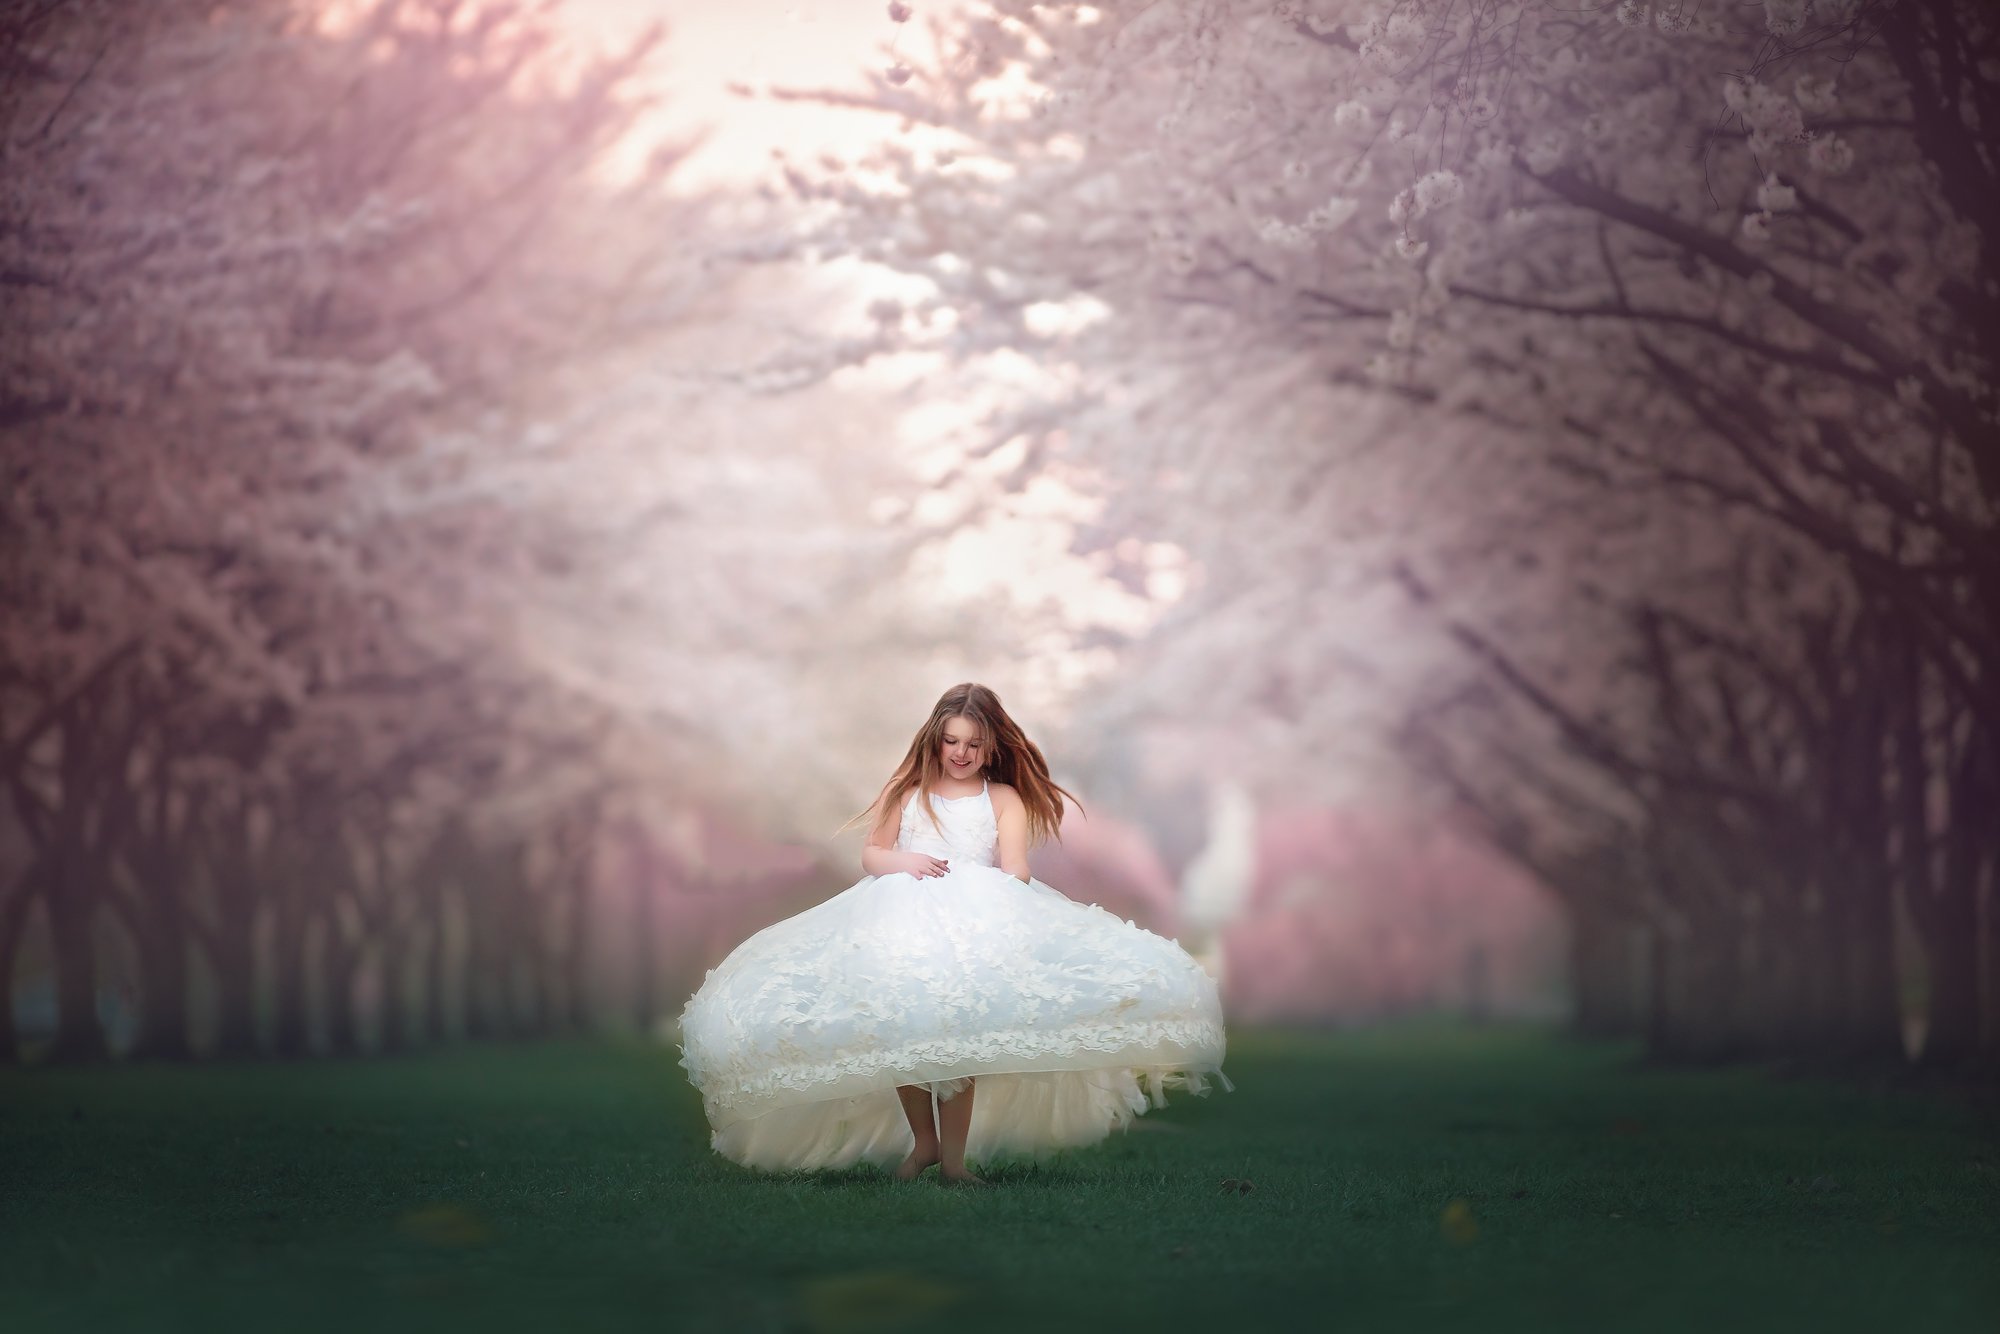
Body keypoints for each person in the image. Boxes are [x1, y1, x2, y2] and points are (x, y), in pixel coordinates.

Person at [674, 682, 1233, 1185]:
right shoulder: (908, 791)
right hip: (903, 916)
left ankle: (955, 1160)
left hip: (971, 921)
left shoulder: (1002, 799)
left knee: (958, 1034)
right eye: (951, 742)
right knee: (903, 1028)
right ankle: (924, 1143)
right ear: (935, 742)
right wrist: (908, 860)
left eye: (972, 744)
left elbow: (1013, 867)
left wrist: (990, 893)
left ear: (991, 747)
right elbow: (872, 853)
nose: (961, 754)